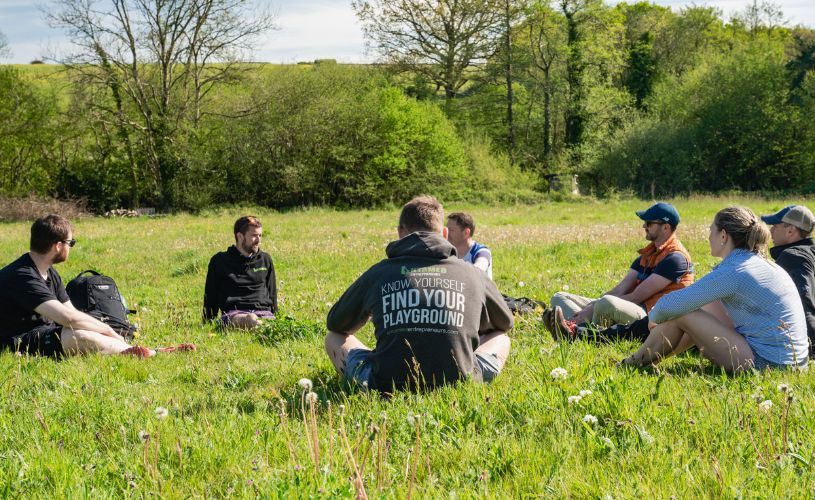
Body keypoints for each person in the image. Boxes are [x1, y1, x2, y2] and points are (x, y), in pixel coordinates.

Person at [324, 196, 514, 392]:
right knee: (501, 338)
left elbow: (336, 324)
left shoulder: (378, 273)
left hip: (384, 386)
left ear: (400, 232)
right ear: (445, 233)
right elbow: (505, 323)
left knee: (333, 338)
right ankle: (466, 380)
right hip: (460, 384)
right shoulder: (473, 273)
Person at [622, 206, 809, 372]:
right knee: (703, 308)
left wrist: (654, 318)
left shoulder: (735, 270)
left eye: (711, 230)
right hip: (792, 363)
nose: (708, 236)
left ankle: (631, 364)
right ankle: (646, 359)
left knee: (684, 312)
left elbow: (671, 305)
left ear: (723, 235)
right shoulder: (756, 263)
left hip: (769, 365)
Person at [0, 215, 164, 358]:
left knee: (87, 327)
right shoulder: (22, 275)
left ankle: (142, 352)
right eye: (70, 243)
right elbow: (68, 318)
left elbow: (72, 312)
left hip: (43, 332)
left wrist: (101, 328)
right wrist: (109, 331)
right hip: (18, 341)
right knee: (81, 336)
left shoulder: (49, 272)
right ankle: (143, 353)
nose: (70, 248)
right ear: (58, 246)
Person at [544, 202, 694, 340]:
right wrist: (591, 306)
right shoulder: (648, 254)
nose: (644, 226)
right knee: (560, 297)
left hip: (650, 316)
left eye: (649, 223)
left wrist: (595, 307)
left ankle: (580, 333)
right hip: (632, 308)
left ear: (666, 227)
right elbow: (621, 288)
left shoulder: (675, 258)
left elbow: (637, 297)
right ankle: (575, 325)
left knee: (606, 303)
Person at [203, 215, 278, 328]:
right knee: (250, 319)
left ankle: (263, 326)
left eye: (260, 235)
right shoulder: (220, 261)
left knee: (263, 322)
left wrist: (276, 314)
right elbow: (211, 294)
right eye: (254, 236)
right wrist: (208, 321)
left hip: (264, 313)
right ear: (240, 236)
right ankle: (261, 326)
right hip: (235, 314)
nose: (258, 240)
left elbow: (272, 293)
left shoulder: (265, 259)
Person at [761, 205, 815, 358]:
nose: (770, 231)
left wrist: (811, 348)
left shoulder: (792, 256)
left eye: (775, 226)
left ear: (790, 230)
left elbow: (804, 302)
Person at [446, 212, 493, 279]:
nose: (446, 233)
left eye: (451, 230)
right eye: (446, 229)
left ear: (466, 233)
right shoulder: (448, 251)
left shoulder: (481, 252)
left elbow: (479, 269)